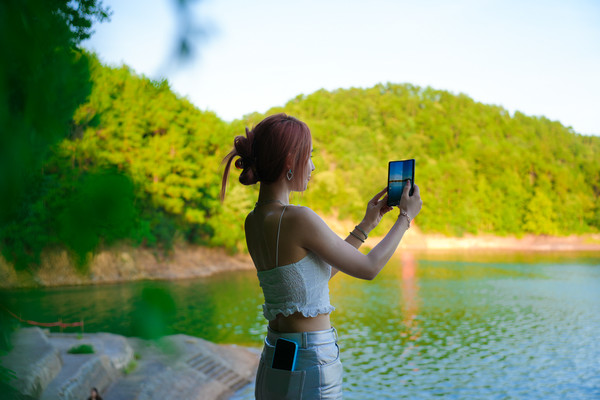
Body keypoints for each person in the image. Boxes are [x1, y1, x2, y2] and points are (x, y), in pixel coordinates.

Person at [221, 113, 422, 399]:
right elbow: (369, 268)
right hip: (311, 360)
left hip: (275, 358)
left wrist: (365, 227)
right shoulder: (298, 217)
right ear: (290, 160)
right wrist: (405, 217)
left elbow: (314, 278)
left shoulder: (253, 221)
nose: (313, 167)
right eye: (310, 156)